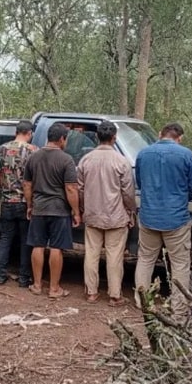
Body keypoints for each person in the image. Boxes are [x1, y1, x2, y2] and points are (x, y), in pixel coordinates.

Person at [134, 123, 192, 319]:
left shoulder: (143, 154)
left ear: (160, 134)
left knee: (145, 259)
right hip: (176, 218)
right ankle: (178, 308)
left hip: (148, 216)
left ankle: (143, 301)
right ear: (180, 137)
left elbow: (140, 182)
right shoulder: (187, 155)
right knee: (179, 263)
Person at [77, 121, 136, 306]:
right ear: (114, 138)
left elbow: (80, 189)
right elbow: (127, 192)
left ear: (97, 137)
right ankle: (115, 295)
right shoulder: (121, 161)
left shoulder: (85, 160)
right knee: (115, 256)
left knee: (91, 254)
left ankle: (91, 293)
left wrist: (82, 208)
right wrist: (131, 211)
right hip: (116, 216)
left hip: (93, 214)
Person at [23, 122, 80, 298]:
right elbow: (71, 188)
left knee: (37, 245)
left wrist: (30, 205)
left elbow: (27, 184)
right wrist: (76, 211)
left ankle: (37, 285)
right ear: (62, 139)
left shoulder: (34, 157)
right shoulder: (66, 159)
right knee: (57, 248)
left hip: (39, 208)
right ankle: (54, 288)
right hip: (59, 210)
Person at [0, 120, 37, 286]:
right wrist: (31, 203)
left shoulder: (3, 149)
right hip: (24, 201)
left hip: (7, 200)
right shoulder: (33, 150)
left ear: (16, 132)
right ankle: (24, 278)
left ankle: (0, 274)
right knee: (25, 240)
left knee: (5, 238)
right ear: (29, 133)